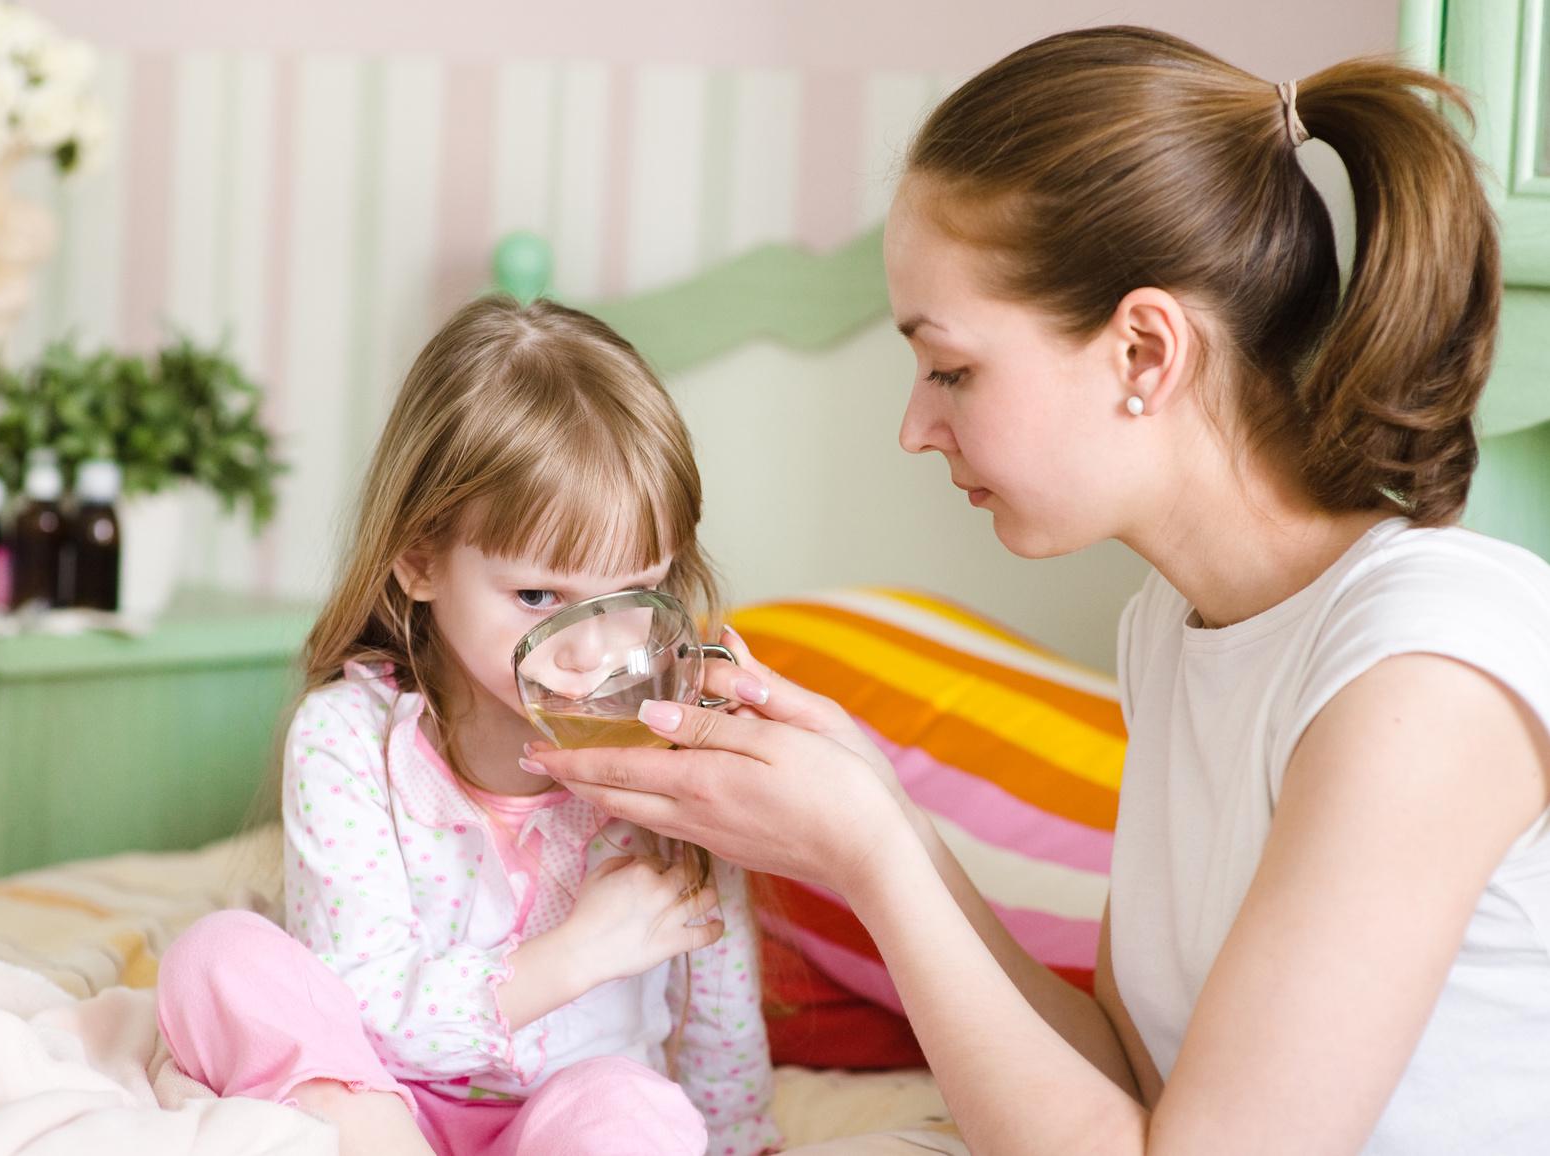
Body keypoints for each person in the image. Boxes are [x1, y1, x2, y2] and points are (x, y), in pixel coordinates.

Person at [525, 26, 1550, 1156]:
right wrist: (893, 829)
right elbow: (1115, 1068)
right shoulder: (1173, 627)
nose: (916, 428)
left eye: (951, 368)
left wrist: (871, 858)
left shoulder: (1419, 672)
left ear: (1143, 353)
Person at [155, 296, 779, 1156]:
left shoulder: (667, 748)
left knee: (644, 1112)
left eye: (631, 595)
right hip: (376, 1099)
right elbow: (360, 1005)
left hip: (568, 1112)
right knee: (216, 956)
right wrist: (576, 954)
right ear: (419, 559)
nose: (590, 651)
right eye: (537, 597)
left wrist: (742, 1136)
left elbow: (718, 977)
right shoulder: (347, 739)